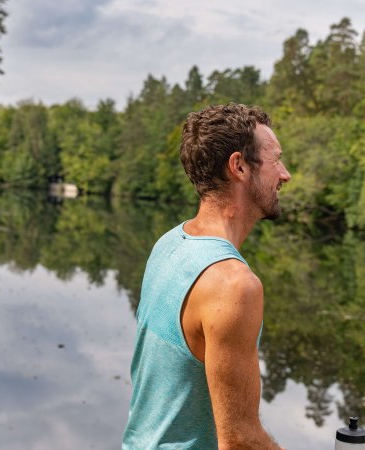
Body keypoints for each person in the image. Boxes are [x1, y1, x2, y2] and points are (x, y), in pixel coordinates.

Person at [122, 103, 290, 449]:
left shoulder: (170, 243)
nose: (285, 174)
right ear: (239, 166)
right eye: (276, 161)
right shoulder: (233, 285)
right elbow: (239, 440)